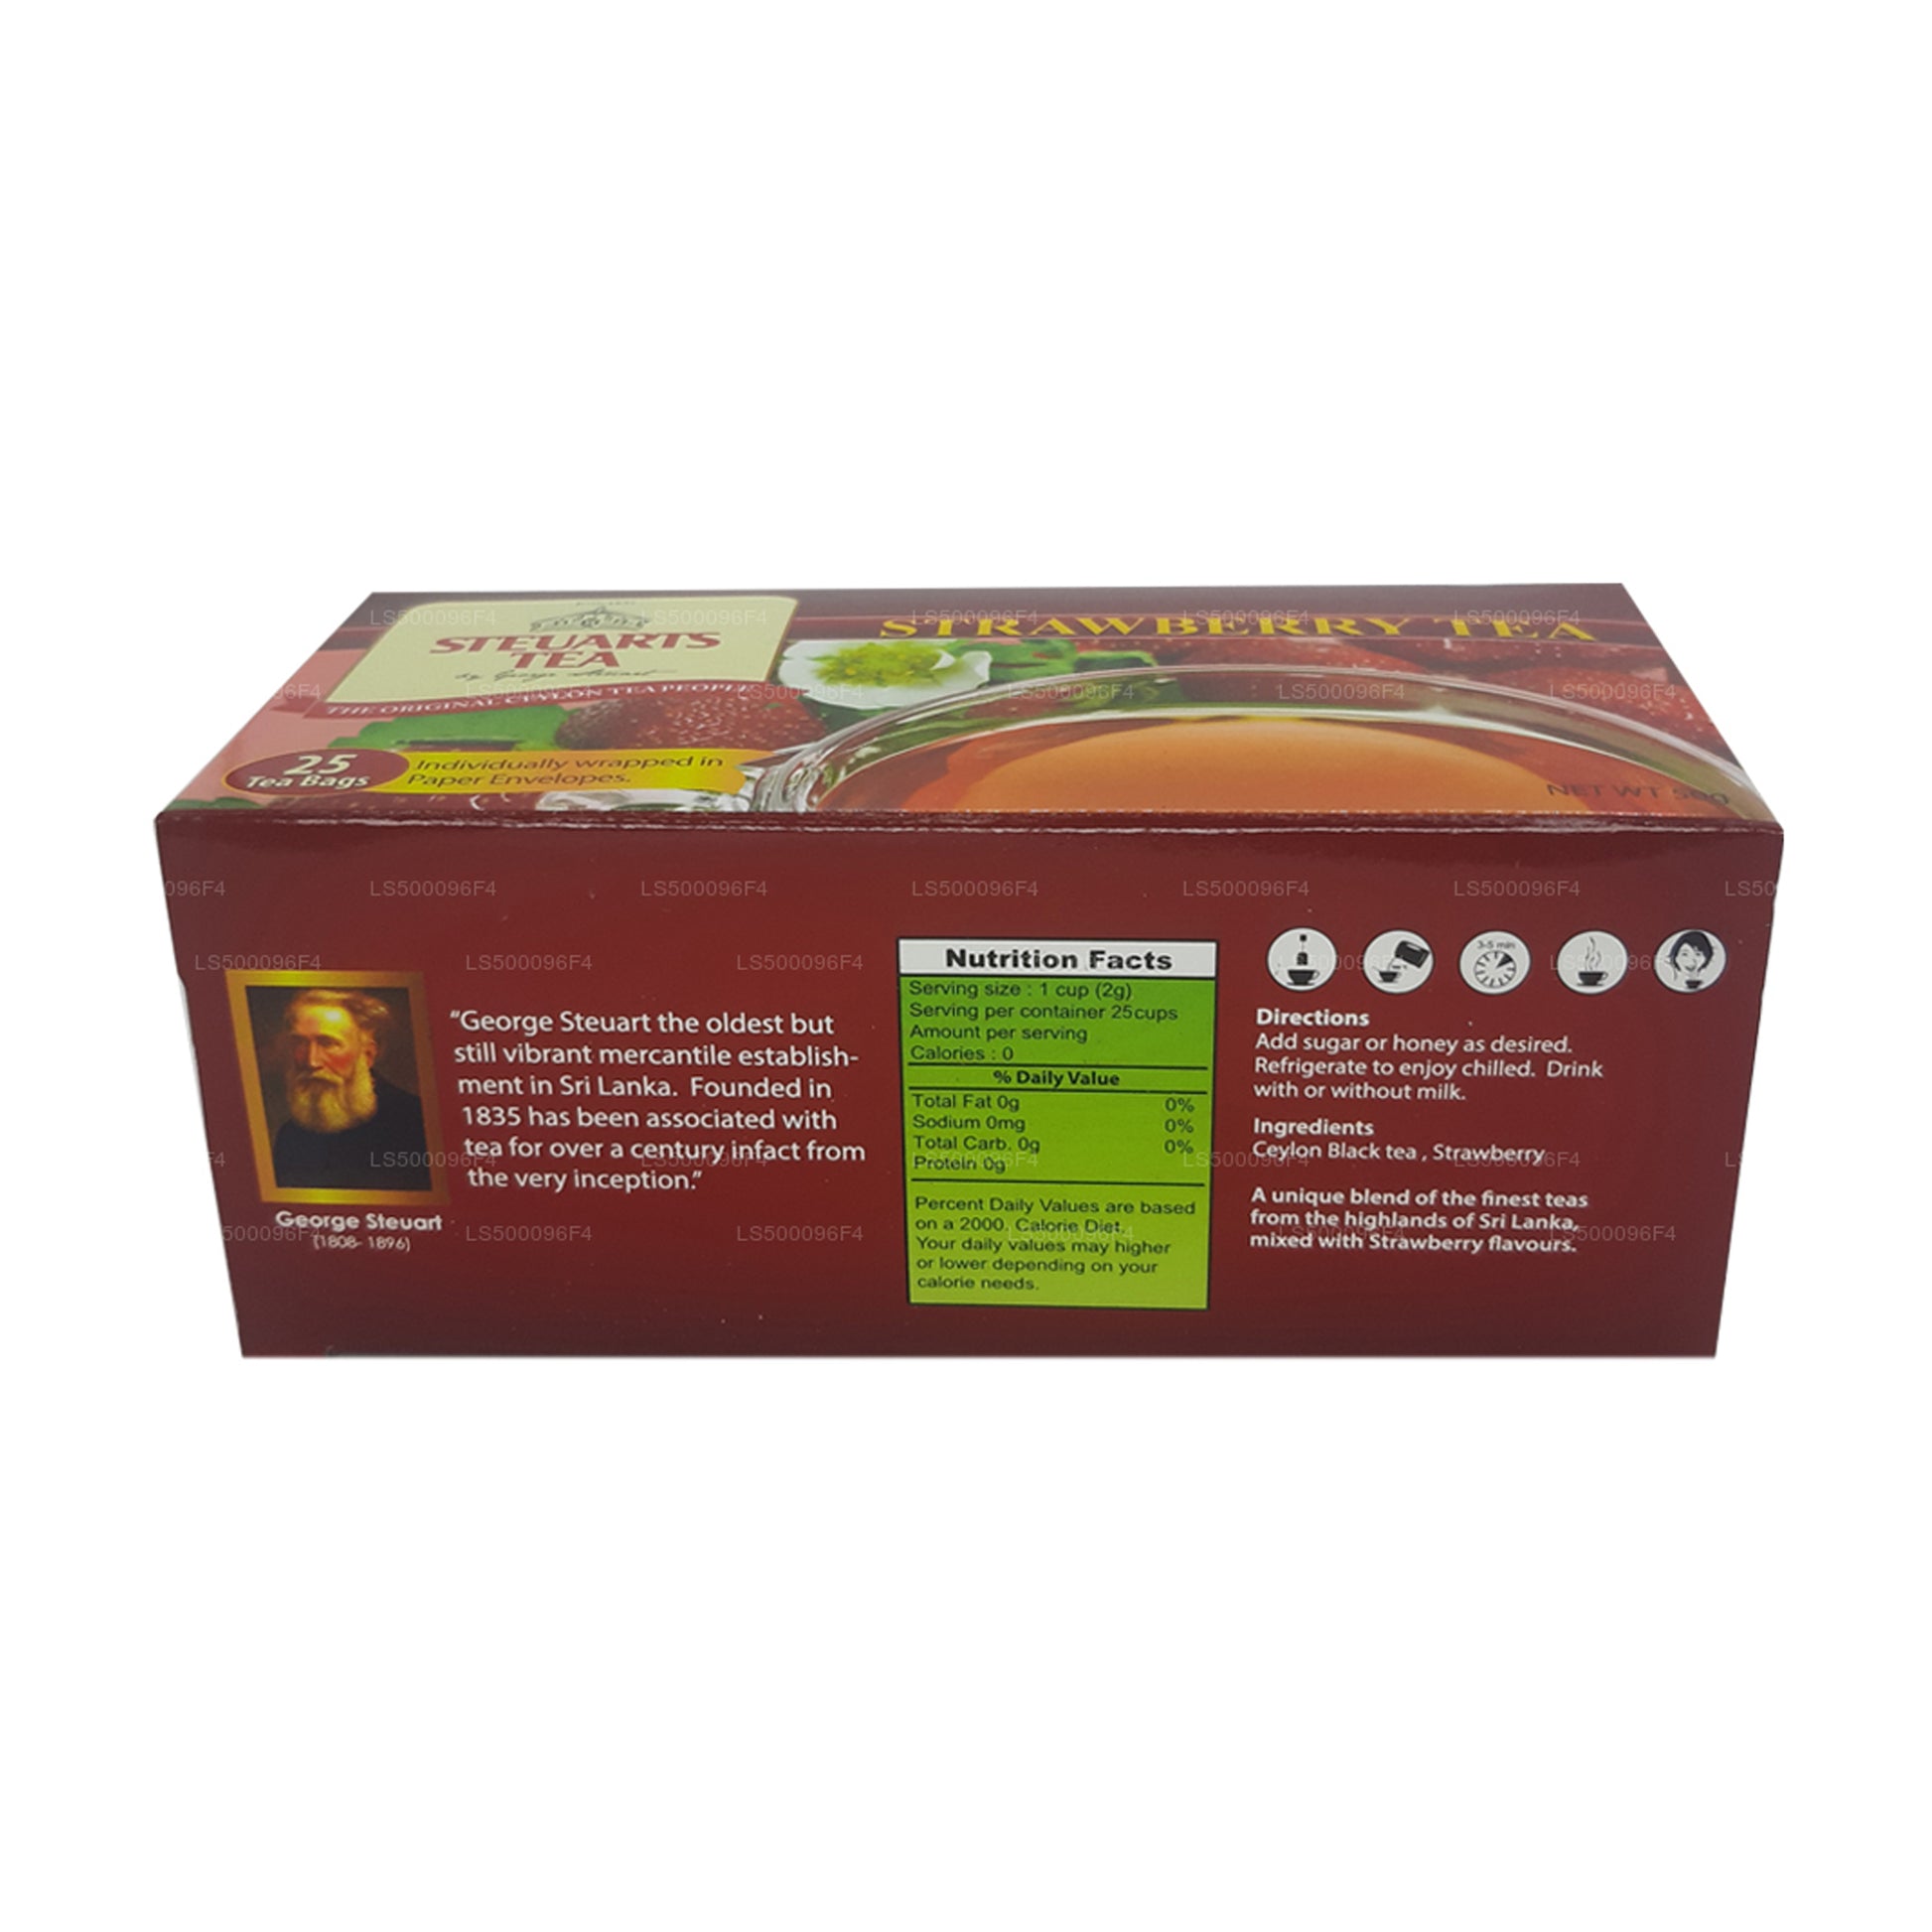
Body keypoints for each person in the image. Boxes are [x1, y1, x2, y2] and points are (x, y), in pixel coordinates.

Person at [270, 989, 432, 1190]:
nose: (311, 1061)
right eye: (300, 1043)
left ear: (368, 1054)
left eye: (328, 1043)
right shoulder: (291, 1135)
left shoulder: (417, 1124)